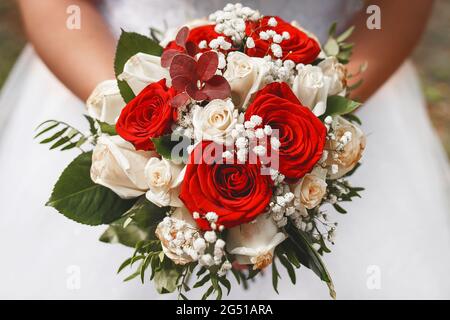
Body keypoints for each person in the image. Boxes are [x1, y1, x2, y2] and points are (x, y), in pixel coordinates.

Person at [0, 0, 448, 299]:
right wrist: (148, 135)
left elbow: (400, 8)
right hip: (102, 74)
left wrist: (313, 112)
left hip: (323, 102)